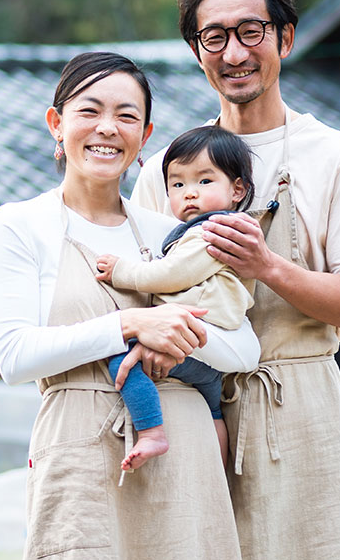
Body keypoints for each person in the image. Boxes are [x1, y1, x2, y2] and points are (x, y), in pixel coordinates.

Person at [131, 0, 340, 560]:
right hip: (194, 406)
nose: (234, 53)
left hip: (298, 405)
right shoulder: (169, 169)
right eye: (213, 37)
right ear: (196, 50)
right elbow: (137, 292)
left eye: (251, 32)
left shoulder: (336, 158)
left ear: (285, 37)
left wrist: (267, 266)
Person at [0, 51, 257, 560]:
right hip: (80, 448)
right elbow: (15, 356)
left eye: (126, 116)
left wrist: (180, 336)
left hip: (182, 446)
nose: (107, 128)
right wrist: (130, 323)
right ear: (56, 124)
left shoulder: (168, 234)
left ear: (145, 136)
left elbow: (244, 345)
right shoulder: (21, 225)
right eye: (90, 111)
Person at [93, 125, 259, 472]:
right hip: (209, 349)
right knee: (213, 410)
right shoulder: (215, 229)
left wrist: (122, 271)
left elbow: (172, 274)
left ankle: (151, 432)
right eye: (177, 185)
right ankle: (219, 475)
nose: (190, 193)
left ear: (237, 189)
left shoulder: (214, 231)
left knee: (122, 358)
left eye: (205, 181)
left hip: (198, 335)